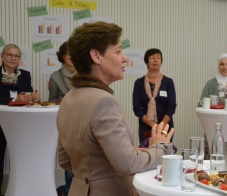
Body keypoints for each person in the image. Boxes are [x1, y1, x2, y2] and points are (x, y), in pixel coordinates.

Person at [57, 22, 174, 196]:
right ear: (96, 56)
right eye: (118, 51)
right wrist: (159, 148)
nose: (124, 58)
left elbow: (65, 160)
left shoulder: (69, 98)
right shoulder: (103, 101)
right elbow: (127, 164)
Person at [0, 44, 39, 194]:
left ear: (19, 60)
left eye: (16, 56)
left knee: (24, 157)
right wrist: (15, 99)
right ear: (2, 57)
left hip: (21, 123)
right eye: (9, 54)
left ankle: (24, 190)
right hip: (1, 121)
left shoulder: (25, 74)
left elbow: (28, 93)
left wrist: (33, 97)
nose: (12, 58)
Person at [133, 48, 177, 148]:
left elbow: (172, 107)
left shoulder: (168, 82)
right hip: (146, 127)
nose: (155, 60)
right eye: (152, 58)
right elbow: (137, 108)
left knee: (164, 153)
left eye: (158, 58)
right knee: (147, 153)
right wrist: (153, 125)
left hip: (165, 126)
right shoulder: (139, 83)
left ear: (161, 62)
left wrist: (161, 126)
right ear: (146, 62)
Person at [48, 42, 76, 196]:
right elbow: (51, 101)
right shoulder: (55, 76)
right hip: (65, 123)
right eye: (68, 53)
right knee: (69, 161)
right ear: (63, 57)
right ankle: (69, 191)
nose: (71, 56)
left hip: (82, 121)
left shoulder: (84, 75)